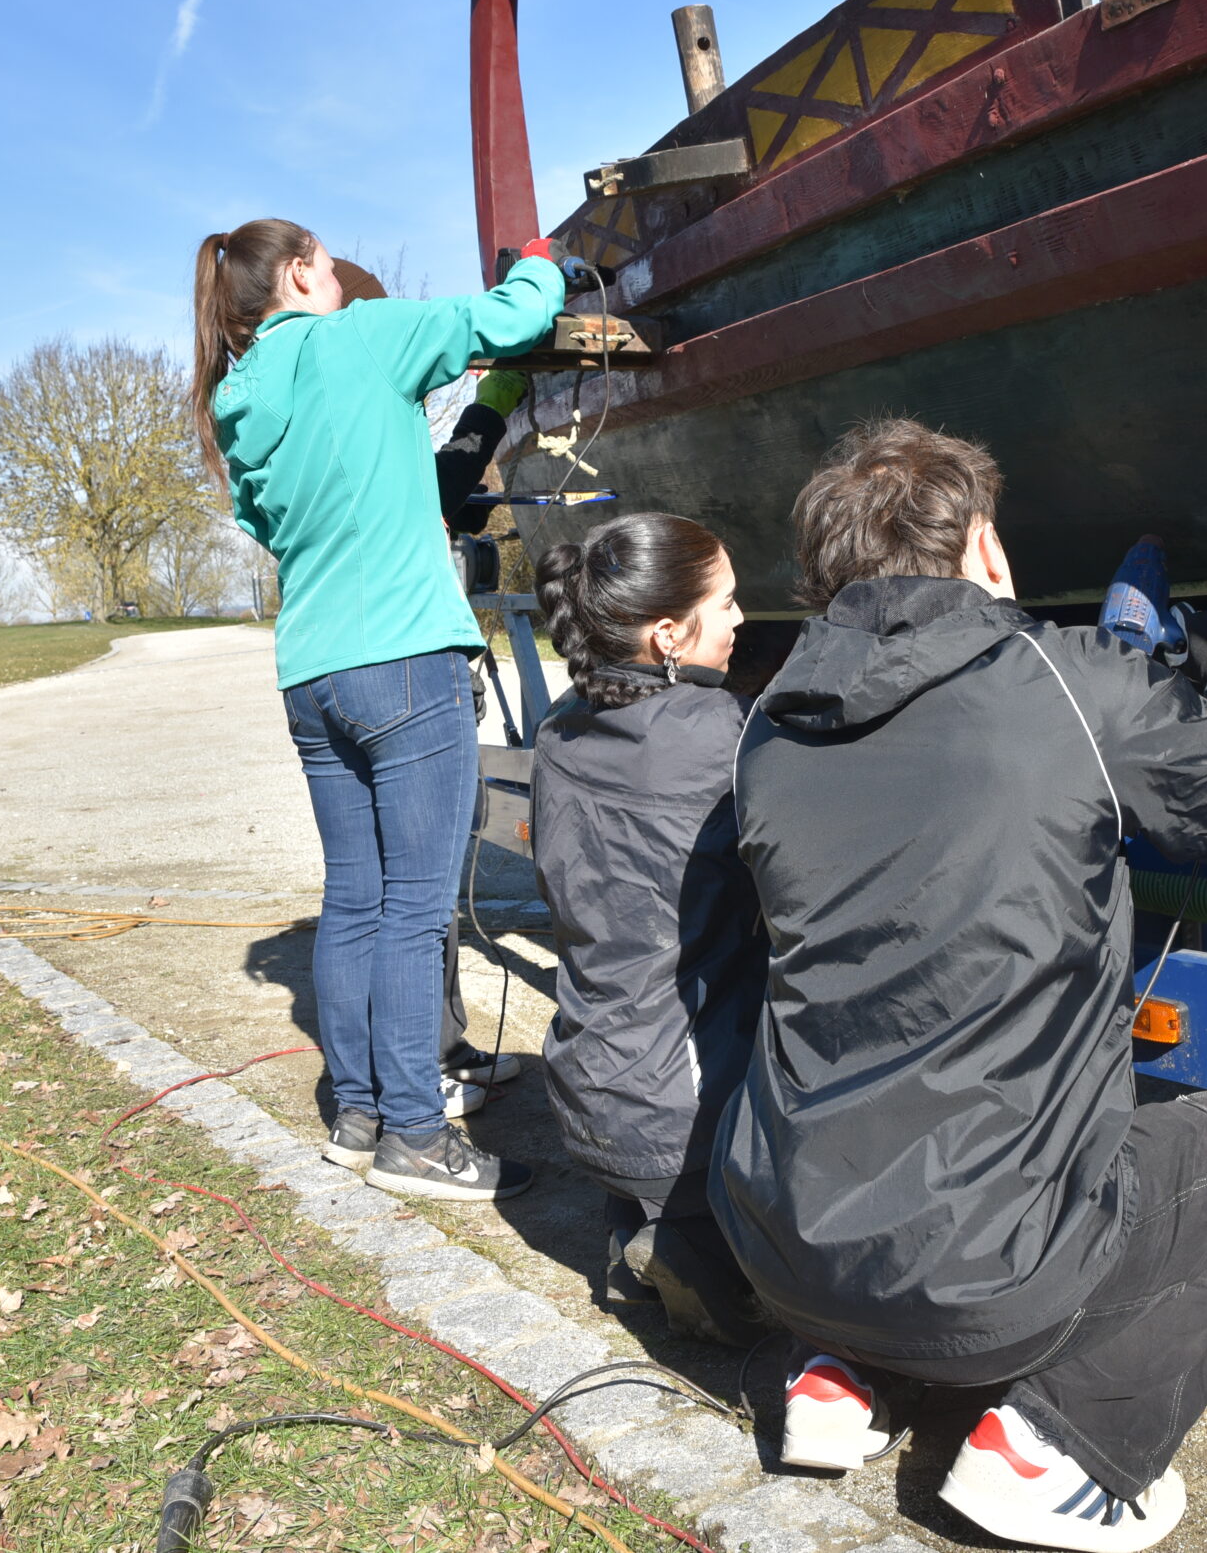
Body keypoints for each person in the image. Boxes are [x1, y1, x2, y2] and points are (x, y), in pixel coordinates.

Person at [714, 419, 1207, 1553]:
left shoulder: (766, 723)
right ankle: (1056, 1449)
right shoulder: (1065, 683)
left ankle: (836, 1374)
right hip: (976, 1273)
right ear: (982, 547)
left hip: (778, 1239)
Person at [191, 218, 564, 1203]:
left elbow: (287, 518)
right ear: (306, 269)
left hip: (310, 673)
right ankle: (414, 1134)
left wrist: (467, 415)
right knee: (414, 907)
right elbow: (512, 316)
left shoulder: (237, 398)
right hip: (402, 657)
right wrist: (540, 261)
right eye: (326, 267)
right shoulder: (359, 335)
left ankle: (358, 1114)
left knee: (354, 898)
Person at [529, 513, 772, 1346]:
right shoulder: (722, 736)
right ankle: (689, 1240)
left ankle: (635, 1229)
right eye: (728, 603)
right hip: (686, 1107)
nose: (743, 618)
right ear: (668, 633)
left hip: (586, 1079)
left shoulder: (559, 728)